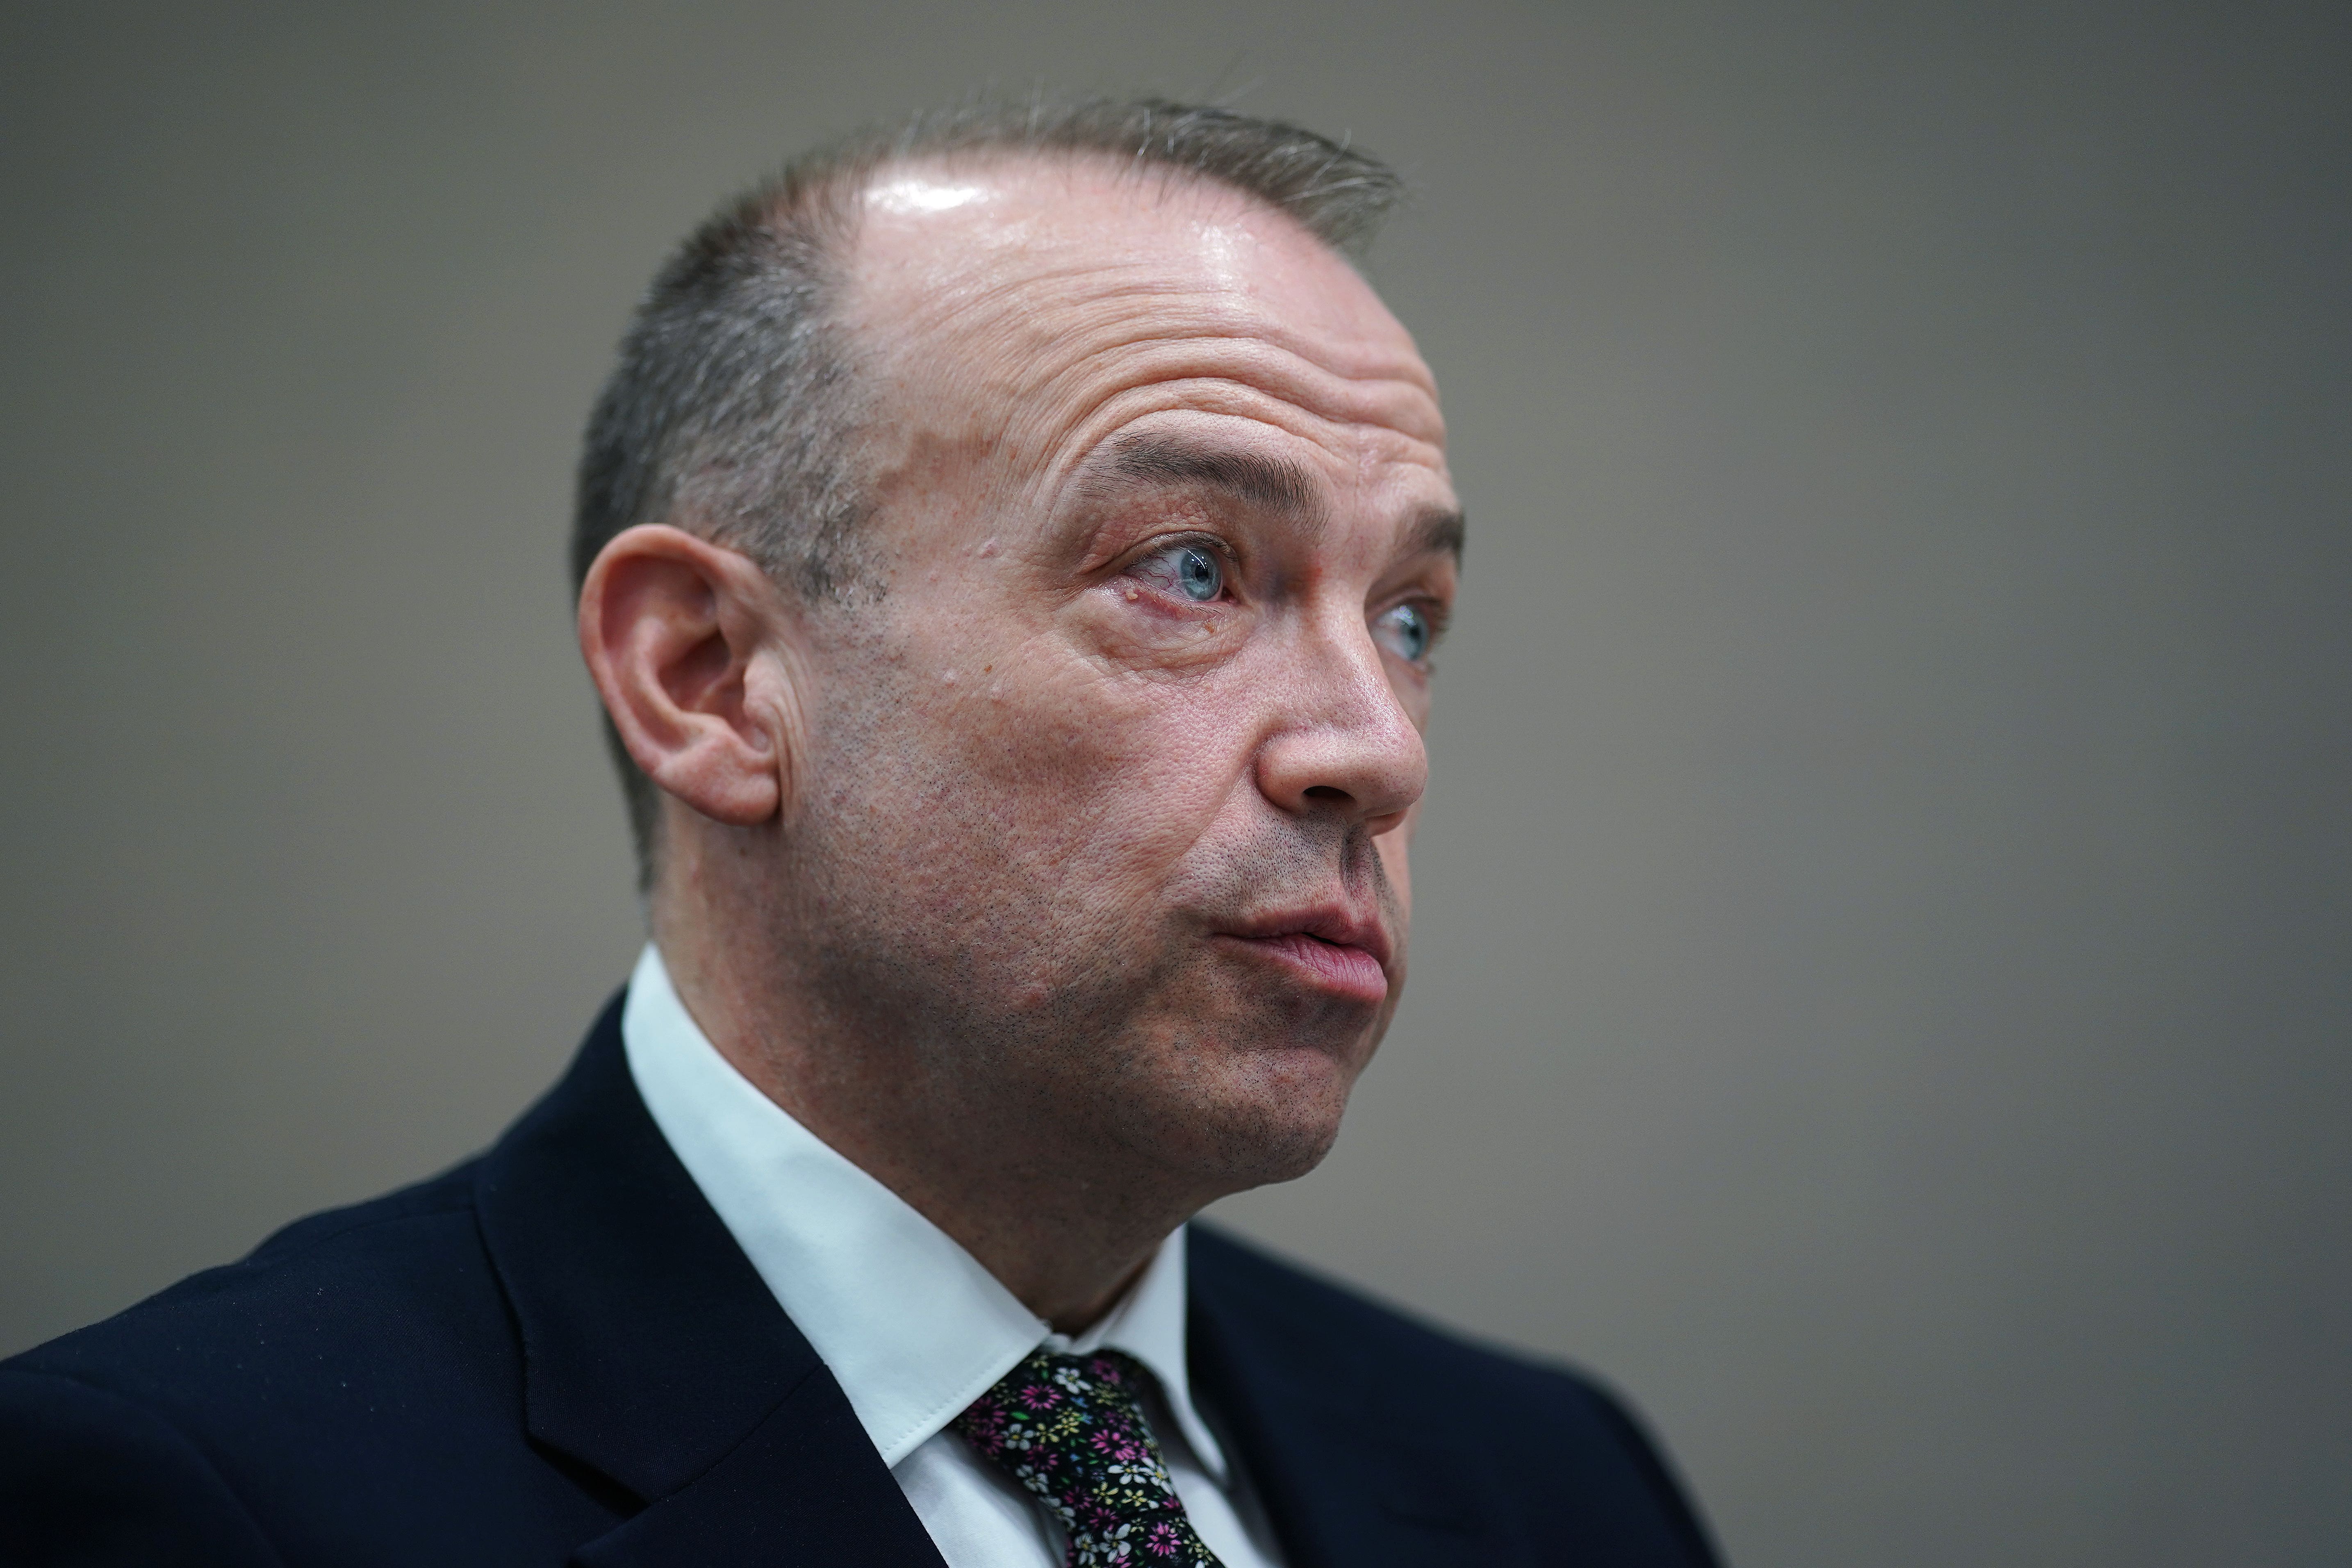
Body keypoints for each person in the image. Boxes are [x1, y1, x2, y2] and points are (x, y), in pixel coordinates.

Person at [0, 98, 1719, 1566]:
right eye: (1189, 570)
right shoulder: (191, 1499)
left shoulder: (1552, 1488)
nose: (1372, 748)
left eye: (1409, 618)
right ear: (712, 679)